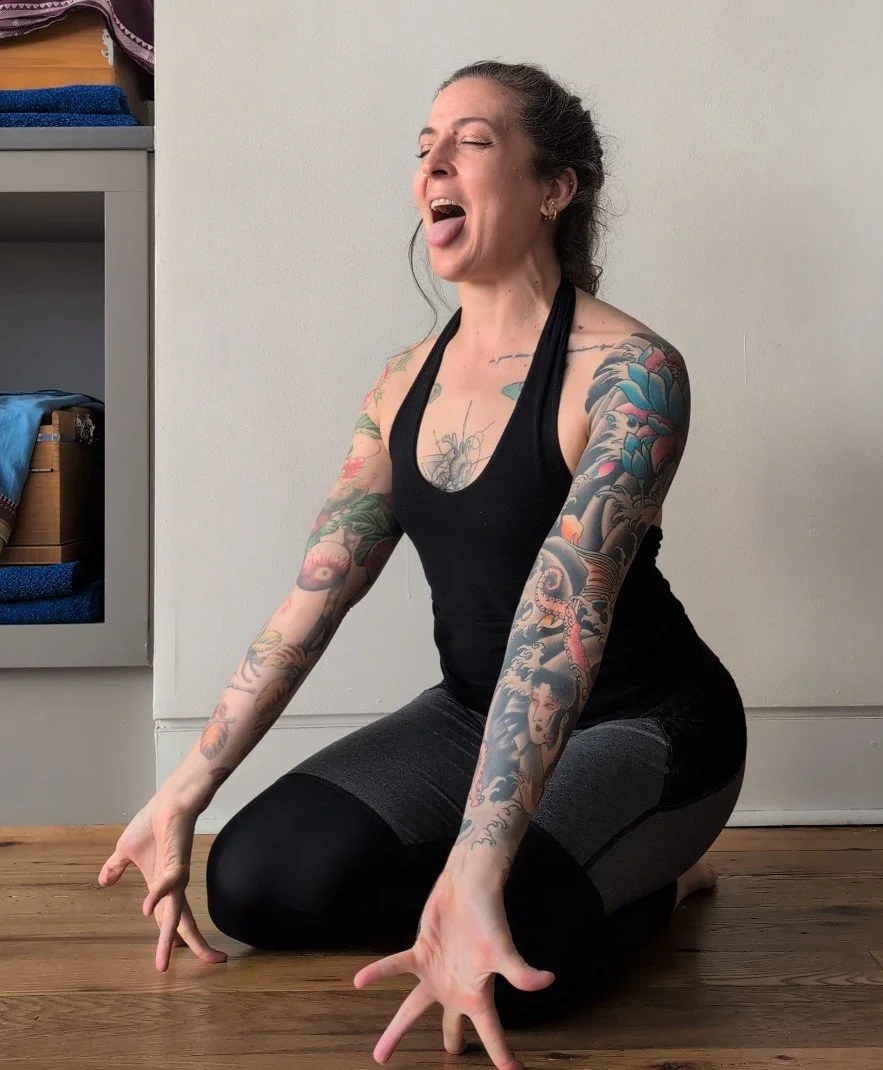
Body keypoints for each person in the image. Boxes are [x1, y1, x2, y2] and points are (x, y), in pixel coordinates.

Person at [98, 60, 747, 1070]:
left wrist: (482, 869)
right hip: (472, 711)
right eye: (423, 147)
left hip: (646, 720)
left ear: (554, 187)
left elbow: (555, 627)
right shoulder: (402, 385)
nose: (433, 163)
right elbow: (315, 597)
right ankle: (545, 875)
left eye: (471, 141)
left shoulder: (632, 374)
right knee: (257, 883)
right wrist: (185, 786)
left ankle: (662, 872)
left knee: (504, 961)